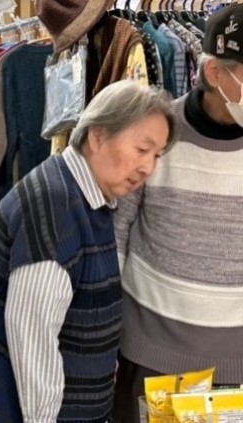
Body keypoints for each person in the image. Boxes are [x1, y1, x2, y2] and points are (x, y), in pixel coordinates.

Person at [0, 80, 177, 423]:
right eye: (142, 149)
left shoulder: (87, 197)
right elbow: (33, 339)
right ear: (98, 135)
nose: (148, 167)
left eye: (157, 155)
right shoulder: (56, 206)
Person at [111, 5, 243, 422]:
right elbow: (117, 230)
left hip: (237, 370)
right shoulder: (157, 134)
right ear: (215, 73)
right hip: (153, 360)